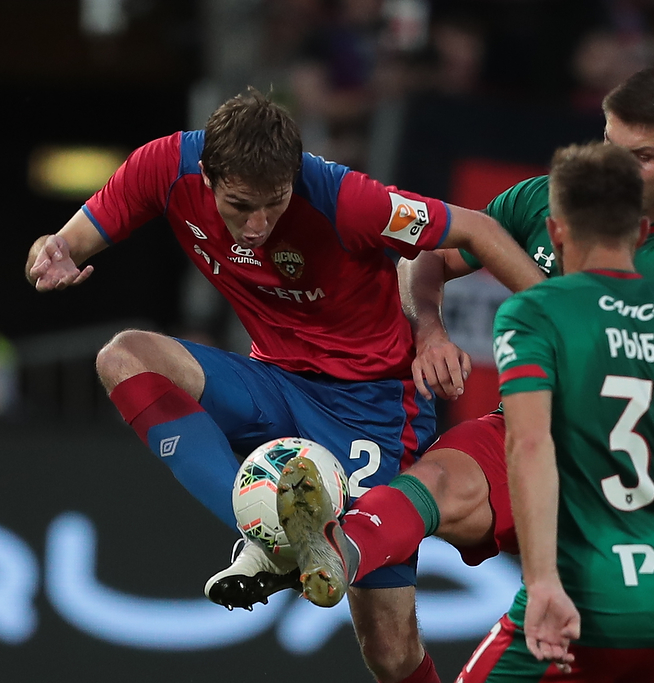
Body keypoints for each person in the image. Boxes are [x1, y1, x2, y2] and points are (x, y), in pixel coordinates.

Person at [265, 67, 654, 616]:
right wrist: (429, 329)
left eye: (641, 157)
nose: (614, 170)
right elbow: (426, 255)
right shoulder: (542, 200)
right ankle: (335, 552)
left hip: (620, 489)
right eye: (609, 145)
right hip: (526, 433)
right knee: (434, 479)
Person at [25, 88, 543, 683]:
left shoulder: (346, 198)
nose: (258, 224)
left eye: (274, 204)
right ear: (207, 175)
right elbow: (64, 243)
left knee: (390, 651)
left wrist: (561, 314)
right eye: (240, 205)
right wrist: (50, 252)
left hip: (372, 407)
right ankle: (266, 534)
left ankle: (283, 538)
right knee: (124, 356)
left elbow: (474, 229)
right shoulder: (162, 168)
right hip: (273, 380)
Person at [276, 142, 654, 682]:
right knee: (437, 480)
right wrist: (652, 473)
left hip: (586, 575)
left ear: (554, 232)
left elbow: (530, 446)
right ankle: (345, 549)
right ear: (641, 233)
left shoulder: (536, 314)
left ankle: (347, 545)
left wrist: (544, 580)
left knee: (436, 480)